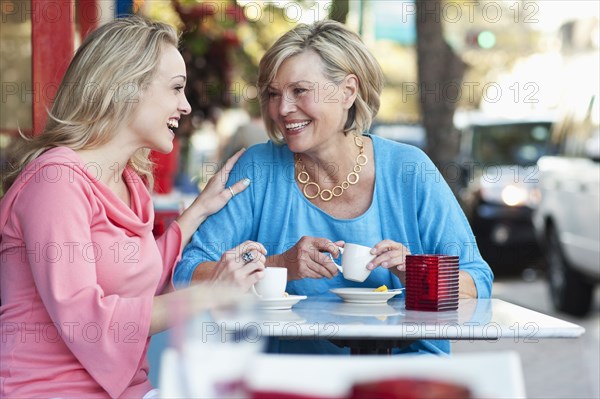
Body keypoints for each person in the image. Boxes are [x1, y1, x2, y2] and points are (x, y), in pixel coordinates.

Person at [175, 20, 494, 355]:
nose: (282, 109)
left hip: (403, 373)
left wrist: (416, 272)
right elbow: (188, 272)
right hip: (292, 381)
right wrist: (279, 264)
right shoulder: (258, 169)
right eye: (273, 94)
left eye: (299, 91)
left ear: (348, 91)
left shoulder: (409, 169)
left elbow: (478, 282)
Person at [0, 16, 266, 398]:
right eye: (176, 88)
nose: (186, 106)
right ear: (126, 87)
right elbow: (85, 319)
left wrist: (199, 210)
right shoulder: (55, 182)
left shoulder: (129, 183)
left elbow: (135, 283)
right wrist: (209, 293)